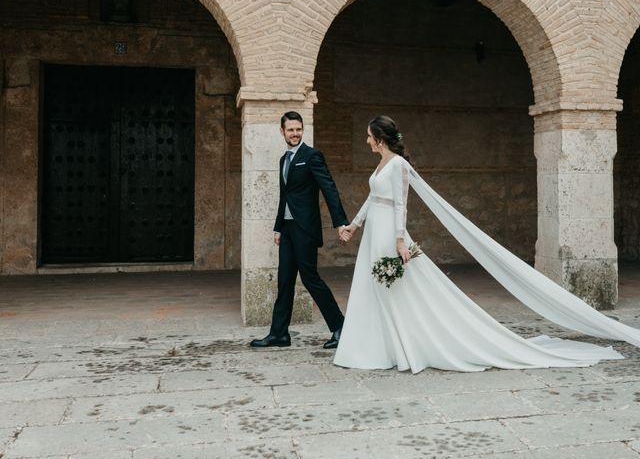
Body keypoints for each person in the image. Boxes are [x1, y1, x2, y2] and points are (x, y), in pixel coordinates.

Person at [333, 115, 640, 373]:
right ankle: (376, 345)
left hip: (389, 233)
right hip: (374, 231)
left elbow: (402, 204)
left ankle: (406, 343)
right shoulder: (380, 165)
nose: (366, 141)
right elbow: (373, 199)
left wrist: (400, 240)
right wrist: (354, 226)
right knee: (374, 286)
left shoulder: (398, 165)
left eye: (369, 136)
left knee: (399, 287)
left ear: (380, 138)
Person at [251, 111, 350, 349]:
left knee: (310, 278)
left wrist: (340, 222)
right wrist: (277, 228)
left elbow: (329, 188)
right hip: (287, 229)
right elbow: (284, 196)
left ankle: (340, 328)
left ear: (302, 130)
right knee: (284, 280)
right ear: (282, 131)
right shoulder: (283, 160)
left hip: (305, 228)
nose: (295, 133)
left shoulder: (312, 156)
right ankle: (279, 334)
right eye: (290, 130)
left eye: (298, 129)